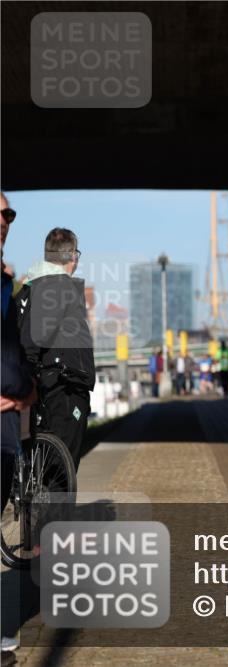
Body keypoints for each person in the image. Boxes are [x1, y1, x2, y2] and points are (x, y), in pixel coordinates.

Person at [17, 227, 95, 469]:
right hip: (64, 387)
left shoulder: (29, 287)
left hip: (44, 385)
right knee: (62, 469)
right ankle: (55, 508)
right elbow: (35, 339)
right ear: (73, 256)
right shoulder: (56, 287)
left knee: (44, 464)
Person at [1, 194, 36, 657]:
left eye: (8, 213)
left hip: (8, 424)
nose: (4, 220)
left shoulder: (9, 282)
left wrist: (27, 393)